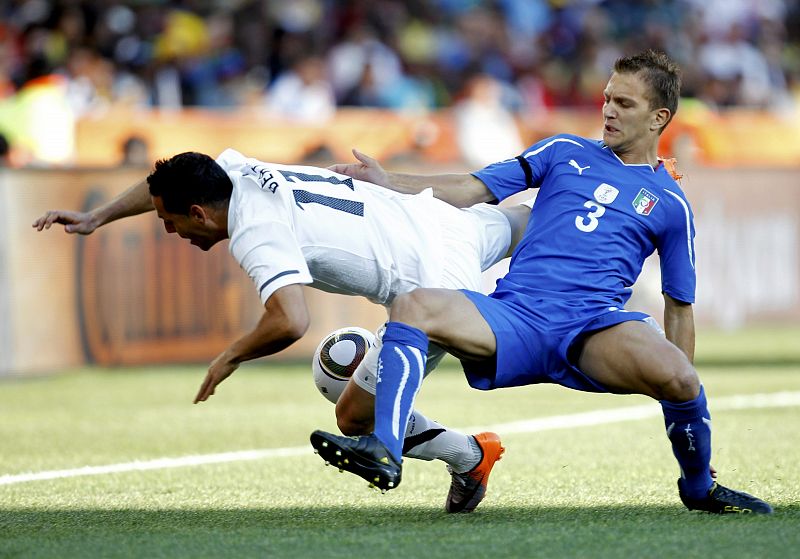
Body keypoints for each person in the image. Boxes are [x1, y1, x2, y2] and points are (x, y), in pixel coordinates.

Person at [310, 50, 773, 515]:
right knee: (413, 305)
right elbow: (473, 187)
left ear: (659, 118)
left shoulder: (672, 203)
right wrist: (387, 180)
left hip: (592, 328)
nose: (609, 110)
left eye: (625, 104)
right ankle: (386, 449)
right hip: (514, 315)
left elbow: (679, 306)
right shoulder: (563, 151)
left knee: (679, 376)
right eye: (607, 98)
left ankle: (698, 487)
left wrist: (680, 382)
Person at [33, 149, 531, 513]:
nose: (171, 232)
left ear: (200, 214)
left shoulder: (255, 230)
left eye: (170, 222)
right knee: (533, 219)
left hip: (435, 284)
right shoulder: (231, 170)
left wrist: (229, 356)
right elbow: (163, 181)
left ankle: (470, 455)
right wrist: (99, 216)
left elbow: (291, 320)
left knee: (353, 416)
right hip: (439, 218)